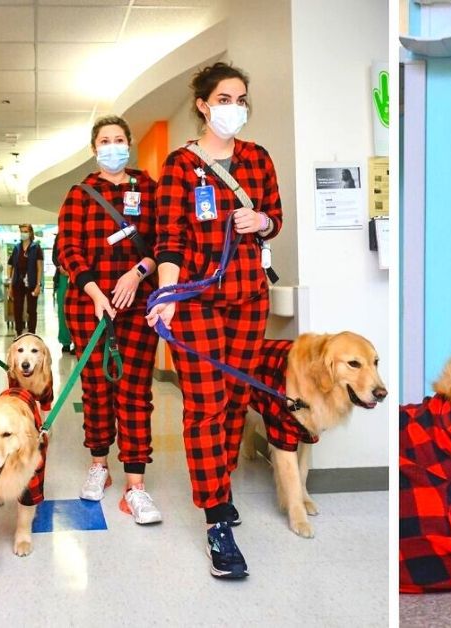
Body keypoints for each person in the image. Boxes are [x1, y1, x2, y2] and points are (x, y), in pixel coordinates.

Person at [148, 62, 283, 579]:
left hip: (249, 296)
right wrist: (168, 292)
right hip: (198, 299)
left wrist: (263, 221)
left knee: (235, 400)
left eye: (241, 98)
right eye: (224, 98)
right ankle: (215, 520)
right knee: (204, 404)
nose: (235, 107)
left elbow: (275, 217)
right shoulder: (182, 165)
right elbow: (170, 238)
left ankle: (218, 489)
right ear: (204, 104)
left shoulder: (258, 158)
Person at [58, 115, 162, 524]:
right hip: (90, 306)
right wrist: (95, 291)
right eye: (105, 140)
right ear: (94, 149)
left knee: (135, 393)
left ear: (130, 144)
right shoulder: (80, 194)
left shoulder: (149, 189)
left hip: (137, 305)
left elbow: (165, 243)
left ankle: (135, 485)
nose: (113, 146)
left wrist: (137, 274)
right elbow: (67, 249)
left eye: (120, 139)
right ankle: (99, 464)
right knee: (97, 389)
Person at [8, 224, 43, 335]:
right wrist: (10, 285)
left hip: (32, 282)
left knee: (32, 309)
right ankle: (19, 333)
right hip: (18, 282)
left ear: (30, 233)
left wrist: (38, 284)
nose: (23, 233)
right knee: (17, 308)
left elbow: (39, 267)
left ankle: (32, 332)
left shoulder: (36, 248)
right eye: (22, 231)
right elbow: (12, 267)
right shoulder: (17, 248)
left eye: (25, 231)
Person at [51, 245, 73, 354]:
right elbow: (55, 255)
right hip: (63, 275)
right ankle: (66, 342)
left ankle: (78, 343)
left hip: (81, 274)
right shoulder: (60, 236)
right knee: (63, 311)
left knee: (78, 311)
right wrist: (60, 267)